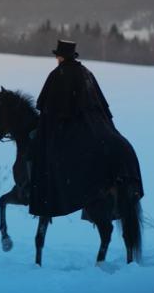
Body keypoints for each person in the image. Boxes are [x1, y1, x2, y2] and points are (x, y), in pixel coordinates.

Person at [29, 40, 141, 217]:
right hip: (96, 122)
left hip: (74, 125)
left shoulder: (58, 74)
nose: (57, 58)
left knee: (48, 154)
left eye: (57, 55)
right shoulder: (86, 72)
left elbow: (49, 109)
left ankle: (51, 196)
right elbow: (99, 104)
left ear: (60, 56)